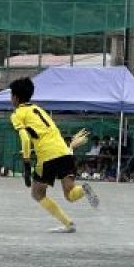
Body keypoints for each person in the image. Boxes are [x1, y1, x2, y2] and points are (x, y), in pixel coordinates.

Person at [9, 76, 98, 232]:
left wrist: (26, 162)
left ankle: (68, 224)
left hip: (47, 157)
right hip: (65, 152)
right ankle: (83, 190)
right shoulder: (39, 110)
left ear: (16, 97)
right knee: (70, 194)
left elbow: (24, 137)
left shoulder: (18, 114)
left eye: (11, 95)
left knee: (37, 193)